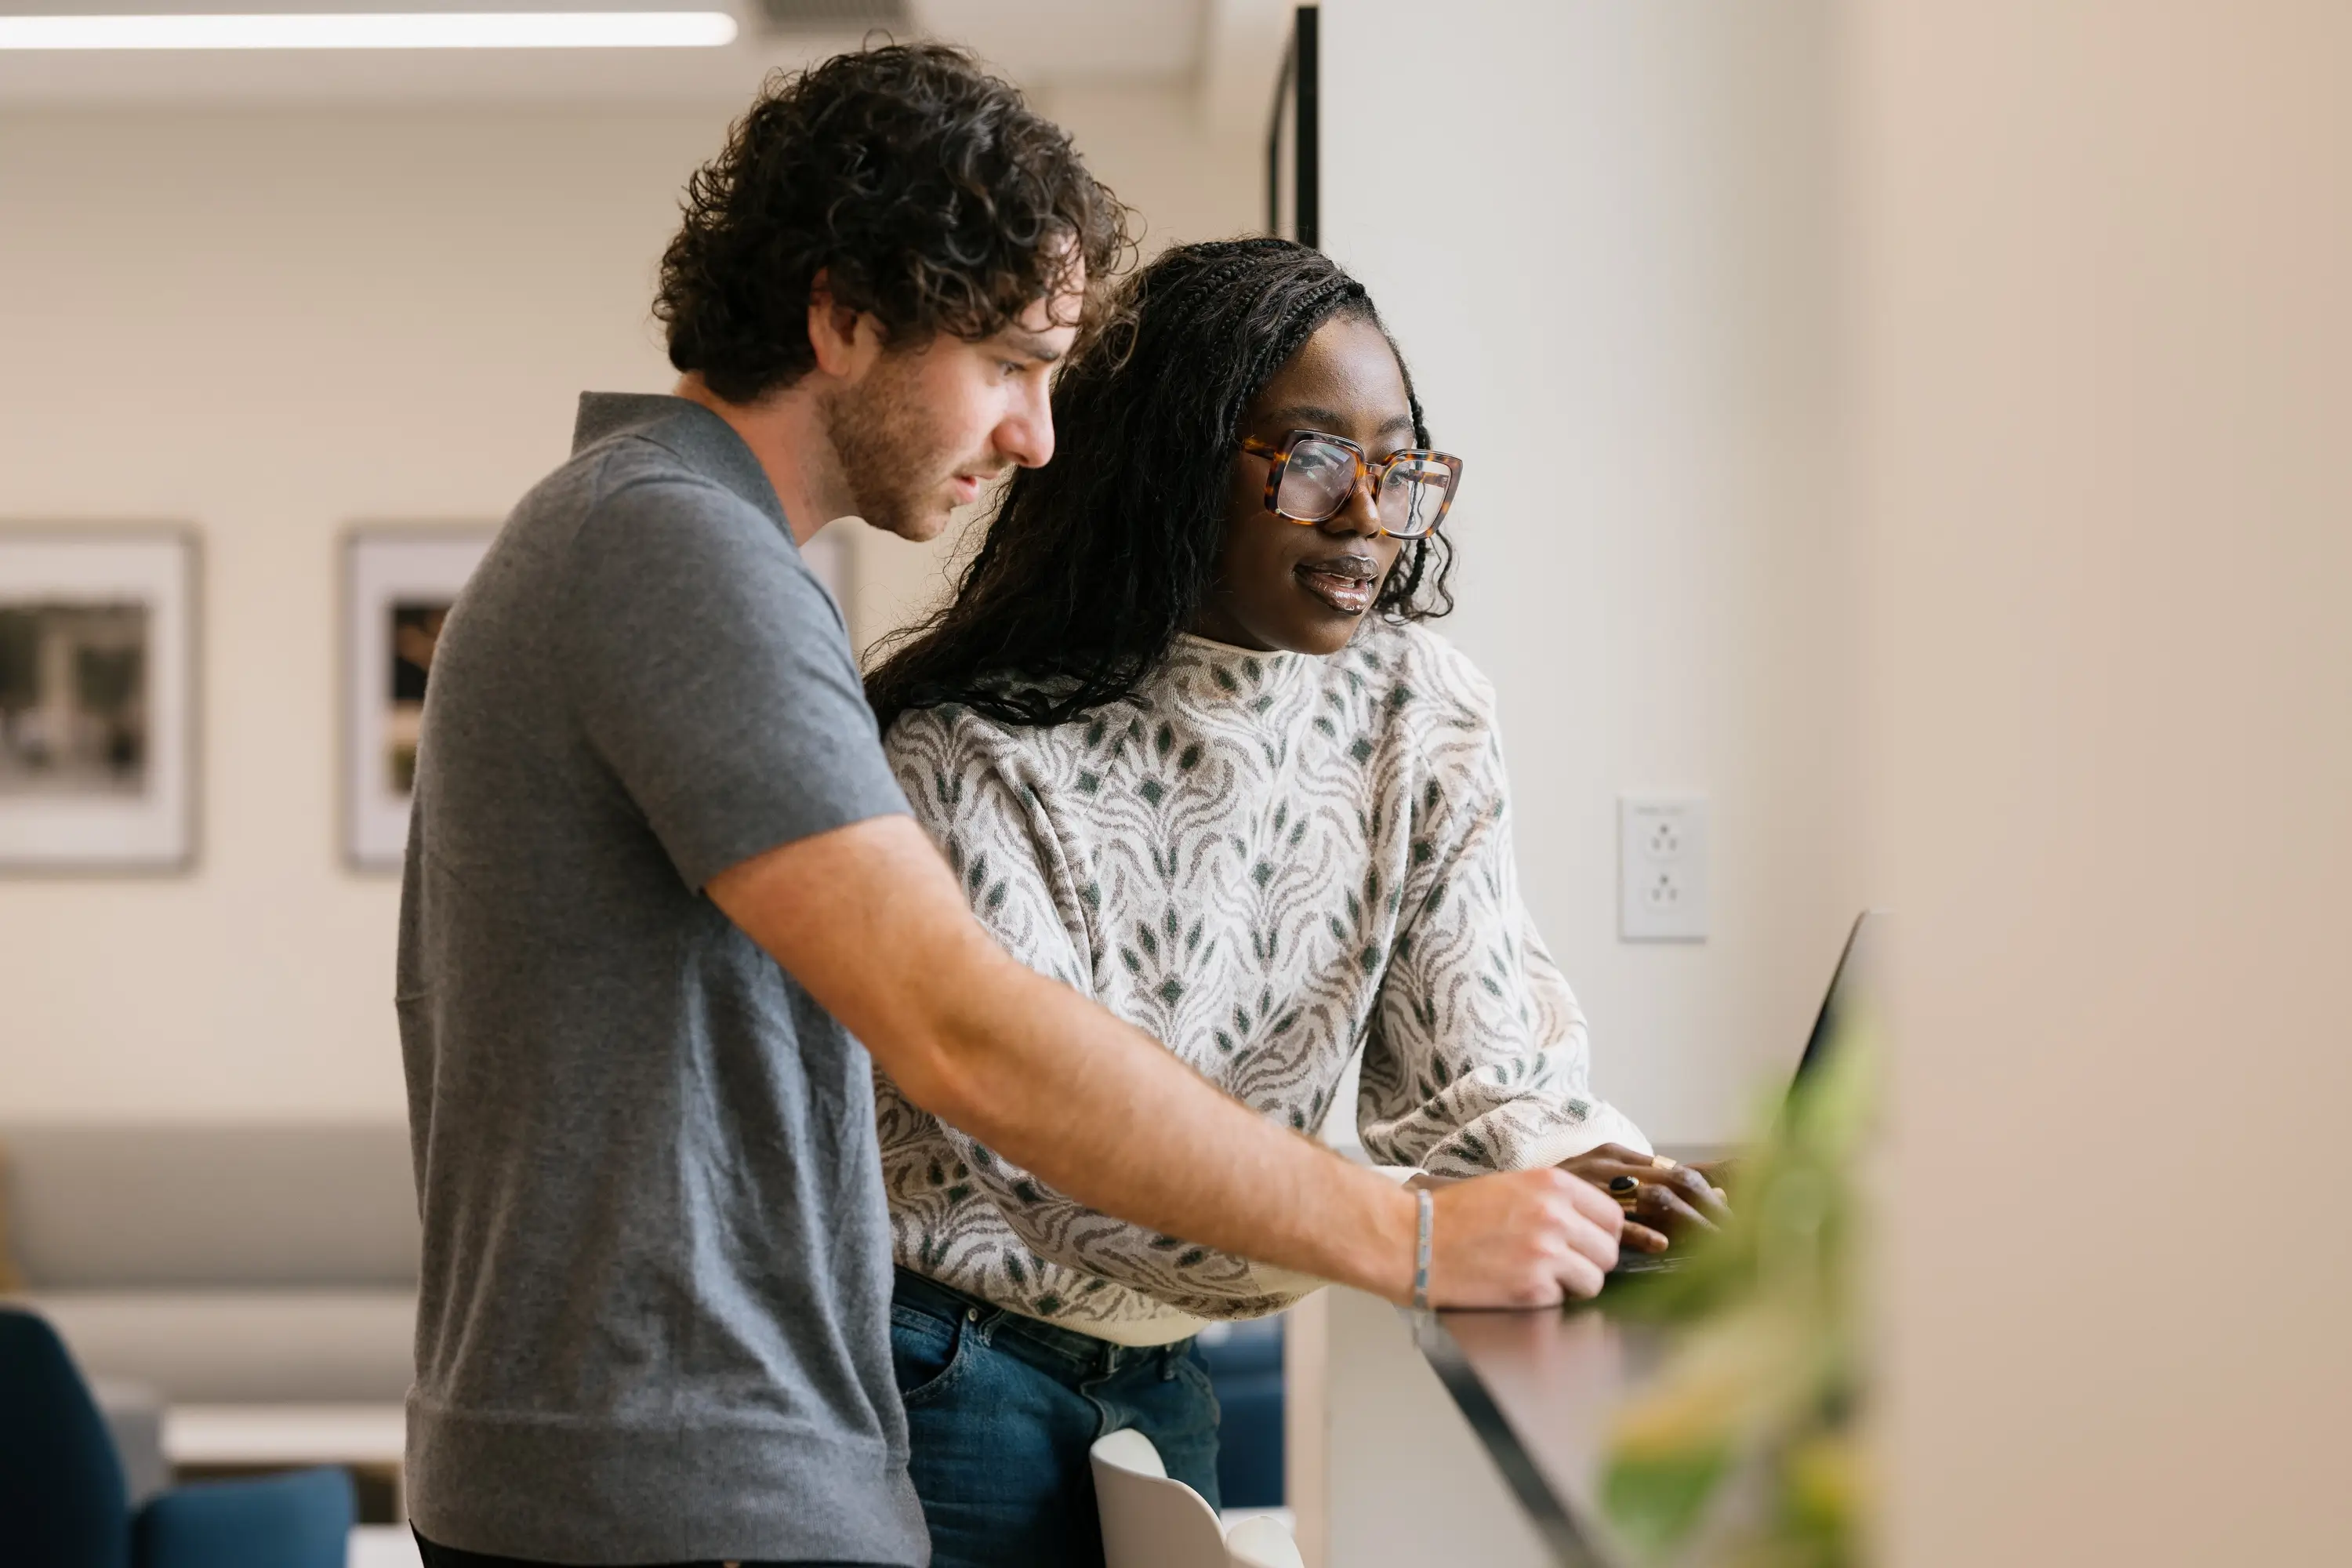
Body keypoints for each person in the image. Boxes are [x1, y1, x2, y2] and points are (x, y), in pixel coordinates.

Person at [399, 47, 1628, 1568]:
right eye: (1007, 364)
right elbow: (963, 1026)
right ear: (844, 317)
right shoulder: (676, 552)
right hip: (679, 1480)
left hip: (676, 1466)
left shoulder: (641, 532)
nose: (1039, 435)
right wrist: (1416, 1236)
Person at [864, 238, 1730, 1565]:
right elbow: (1052, 1159)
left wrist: (1576, 1171)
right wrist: (1419, 1234)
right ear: (1172, 465)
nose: (1367, 514)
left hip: (1163, 1371)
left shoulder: (1421, 713)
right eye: (1314, 458)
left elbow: (1476, 1069)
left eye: (1401, 465)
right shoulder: (971, 747)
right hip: (948, 1363)